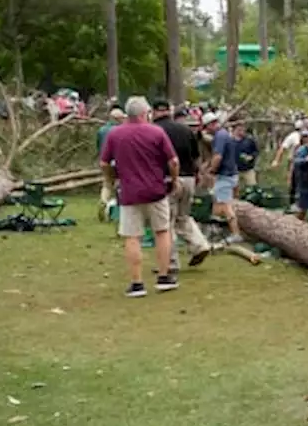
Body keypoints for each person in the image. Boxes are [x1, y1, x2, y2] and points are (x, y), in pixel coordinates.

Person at [99, 96, 180, 297]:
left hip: (129, 192)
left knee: (132, 236)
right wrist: (175, 180)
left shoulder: (114, 134)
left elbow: (104, 163)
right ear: (145, 113)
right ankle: (163, 277)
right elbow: (174, 161)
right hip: (155, 190)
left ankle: (137, 283)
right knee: (162, 232)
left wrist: (111, 179)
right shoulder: (156, 132)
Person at [155, 108, 212, 272]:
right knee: (183, 216)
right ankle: (200, 245)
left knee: (167, 222)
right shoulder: (186, 130)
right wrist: (198, 174)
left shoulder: (154, 130)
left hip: (169, 178)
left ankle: (170, 262)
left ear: (154, 111)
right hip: (189, 178)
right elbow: (196, 157)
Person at [207, 116, 243, 242]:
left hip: (225, 175)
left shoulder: (220, 136)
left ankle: (236, 234)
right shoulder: (223, 134)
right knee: (217, 204)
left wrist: (212, 170)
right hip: (229, 173)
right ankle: (215, 230)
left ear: (212, 124)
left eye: (207, 127)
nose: (207, 130)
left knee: (226, 205)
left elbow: (218, 157)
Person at [97, 104, 124, 221]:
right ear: (118, 119)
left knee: (107, 184)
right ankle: (116, 210)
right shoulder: (121, 130)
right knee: (120, 184)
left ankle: (103, 202)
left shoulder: (101, 130)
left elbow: (98, 146)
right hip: (119, 161)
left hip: (104, 161)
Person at [235, 123, 260, 189]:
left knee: (252, 187)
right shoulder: (231, 141)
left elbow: (256, 151)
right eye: (239, 130)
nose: (241, 131)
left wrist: (251, 157)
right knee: (234, 189)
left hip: (248, 169)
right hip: (235, 170)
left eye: (243, 129)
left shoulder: (249, 140)